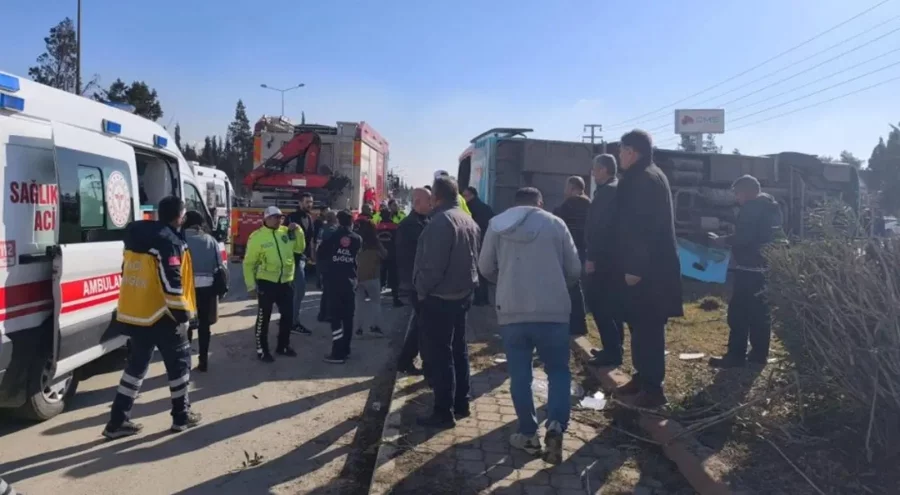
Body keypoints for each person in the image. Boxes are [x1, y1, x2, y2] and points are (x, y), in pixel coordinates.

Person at [478, 187, 581, 463]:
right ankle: (556, 426)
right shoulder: (555, 223)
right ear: (540, 202)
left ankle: (527, 434)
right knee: (558, 371)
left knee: (520, 374)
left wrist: (506, 281)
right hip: (554, 312)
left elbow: (485, 266)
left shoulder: (497, 225)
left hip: (513, 311)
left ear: (515, 203)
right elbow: (574, 269)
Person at [103, 196, 201, 439]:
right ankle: (181, 417)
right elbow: (172, 281)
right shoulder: (168, 241)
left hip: (137, 314)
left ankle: (116, 422)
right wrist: (182, 315)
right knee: (179, 367)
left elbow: (127, 271)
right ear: (180, 216)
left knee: (135, 369)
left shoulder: (137, 237)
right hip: (163, 315)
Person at [615, 130, 683, 408]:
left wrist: (635, 267)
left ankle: (654, 389)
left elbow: (642, 228)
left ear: (631, 151)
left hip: (649, 271)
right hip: (647, 268)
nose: (619, 156)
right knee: (639, 326)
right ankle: (643, 377)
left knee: (649, 328)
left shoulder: (644, 179)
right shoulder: (645, 175)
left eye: (621, 151)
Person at [413, 176, 481, 428]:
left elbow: (432, 267)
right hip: (462, 295)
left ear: (436, 197)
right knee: (459, 350)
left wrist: (421, 290)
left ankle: (443, 411)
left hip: (439, 298)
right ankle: (461, 402)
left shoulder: (440, 222)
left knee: (440, 355)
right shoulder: (468, 220)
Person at [708, 175, 784, 368]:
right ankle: (759, 355)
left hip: (748, 268)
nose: (737, 198)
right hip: (765, 267)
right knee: (760, 313)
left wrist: (721, 240)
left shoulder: (751, 208)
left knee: (738, 313)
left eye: (738, 193)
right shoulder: (772, 207)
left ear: (747, 192)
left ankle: (736, 355)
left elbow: (744, 237)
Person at [243, 206, 305, 362]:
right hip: (267, 282)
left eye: (281, 217)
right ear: (266, 219)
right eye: (275, 217)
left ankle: (283, 345)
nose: (279, 220)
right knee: (264, 318)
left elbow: (299, 248)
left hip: (286, 282)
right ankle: (262, 349)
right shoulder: (257, 237)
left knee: (288, 317)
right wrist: (251, 286)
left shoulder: (286, 232)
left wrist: (298, 232)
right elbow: (249, 263)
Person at [585, 154, 625, 367]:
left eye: (595, 168)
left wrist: (592, 258)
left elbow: (599, 228)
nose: (592, 172)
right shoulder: (613, 189)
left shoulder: (608, 192)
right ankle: (615, 347)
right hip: (613, 258)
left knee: (599, 304)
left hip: (604, 260)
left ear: (603, 170)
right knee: (611, 304)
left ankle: (612, 351)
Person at [183, 211, 227, 372]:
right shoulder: (211, 240)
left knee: (185, 324)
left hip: (185, 289)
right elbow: (219, 266)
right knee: (204, 325)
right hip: (207, 288)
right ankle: (203, 360)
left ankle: (185, 361)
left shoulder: (179, 239)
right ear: (200, 224)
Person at [395, 188, 432, 375]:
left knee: (420, 323)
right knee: (422, 324)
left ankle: (406, 361)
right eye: (428, 201)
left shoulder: (423, 221)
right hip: (416, 282)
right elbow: (409, 257)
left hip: (421, 281)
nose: (432, 204)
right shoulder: (409, 225)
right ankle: (413, 362)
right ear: (417, 202)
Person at [320, 210, 362, 364]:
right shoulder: (357, 239)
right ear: (351, 222)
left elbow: (321, 254)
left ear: (338, 221)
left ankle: (337, 353)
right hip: (350, 281)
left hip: (334, 282)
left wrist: (323, 274)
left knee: (336, 318)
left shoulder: (331, 236)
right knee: (348, 317)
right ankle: (346, 349)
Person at [553, 176, 591, 335]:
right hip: (586, 250)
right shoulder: (590, 204)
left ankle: (573, 325)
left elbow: (557, 222)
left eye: (566, 187)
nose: (565, 191)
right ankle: (579, 324)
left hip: (571, 249)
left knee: (571, 287)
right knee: (578, 287)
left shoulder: (568, 205)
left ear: (573, 188)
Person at [285, 192, 315, 335]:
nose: (310, 204)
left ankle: (289, 318)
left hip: (303, 259)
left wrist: (311, 256)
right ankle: (293, 322)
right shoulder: (291, 217)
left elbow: (311, 239)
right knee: (300, 290)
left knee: (294, 291)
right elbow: (284, 237)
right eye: (307, 202)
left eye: (311, 202)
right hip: (292, 260)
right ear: (300, 203)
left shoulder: (309, 217)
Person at [462, 186, 495, 306]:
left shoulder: (470, 208)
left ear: (472, 195)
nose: (464, 198)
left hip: (476, 241)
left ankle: (479, 299)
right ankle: (483, 298)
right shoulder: (485, 207)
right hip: (486, 240)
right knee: (481, 271)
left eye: (465, 196)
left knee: (476, 271)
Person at [355, 221, 388, 336]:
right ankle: (375, 326)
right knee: (375, 303)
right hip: (373, 275)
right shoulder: (376, 242)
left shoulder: (358, 241)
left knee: (359, 304)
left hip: (359, 276)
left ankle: (358, 328)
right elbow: (385, 255)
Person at [375, 205, 403, 307]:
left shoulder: (377, 227)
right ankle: (395, 300)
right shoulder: (395, 226)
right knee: (393, 278)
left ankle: (376, 299)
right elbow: (399, 241)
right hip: (392, 254)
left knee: (379, 277)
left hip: (380, 255)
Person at [316, 209, 339, 322]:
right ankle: (328, 314)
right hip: (331, 262)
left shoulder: (322, 229)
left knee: (326, 289)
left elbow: (317, 244)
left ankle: (322, 314)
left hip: (322, 261)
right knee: (331, 290)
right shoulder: (334, 230)